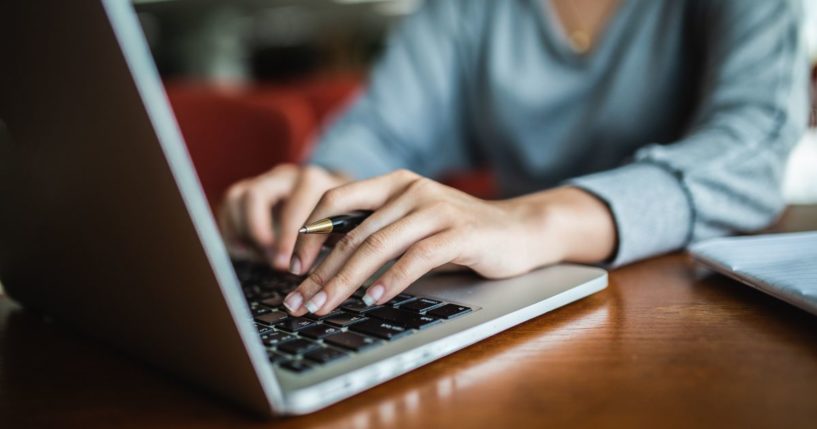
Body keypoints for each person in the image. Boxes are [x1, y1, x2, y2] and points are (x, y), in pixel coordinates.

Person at [219, 0, 809, 316]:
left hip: (687, 305)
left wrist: (530, 220)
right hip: (515, 304)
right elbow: (379, 132)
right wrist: (327, 189)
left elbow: (751, 150)